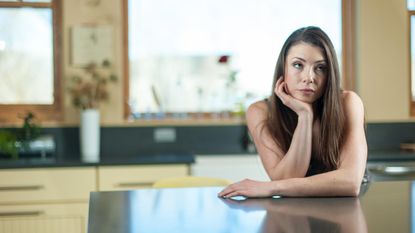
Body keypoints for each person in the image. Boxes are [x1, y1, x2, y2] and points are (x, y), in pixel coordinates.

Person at [218, 26, 367, 198]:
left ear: (330, 74)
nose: (309, 77)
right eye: (298, 65)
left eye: (320, 68)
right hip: (293, 209)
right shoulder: (260, 112)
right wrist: (305, 117)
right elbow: (287, 178)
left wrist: (270, 187)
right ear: (283, 69)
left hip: (344, 208)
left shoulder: (348, 102)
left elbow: (350, 183)